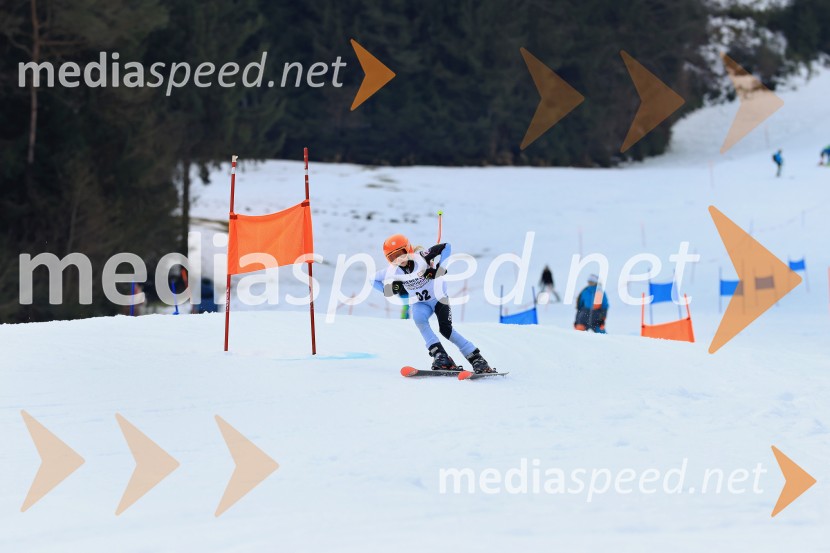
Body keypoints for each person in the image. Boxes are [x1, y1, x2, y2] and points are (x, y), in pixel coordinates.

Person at [373, 234, 495, 373]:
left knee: (446, 330)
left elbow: (446, 247)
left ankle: (477, 359)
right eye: (392, 257)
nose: (398, 259)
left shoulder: (422, 257)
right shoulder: (393, 270)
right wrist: (387, 290)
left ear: (408, 249)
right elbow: (372, 279)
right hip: (420, 303)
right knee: (419, 319)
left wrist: (440, 269)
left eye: (400, 254)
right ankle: (440, 355)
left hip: (439, 299)